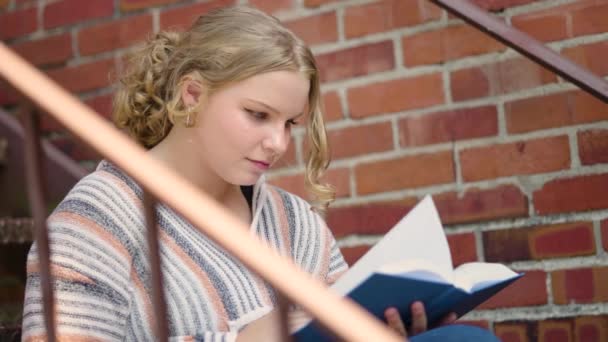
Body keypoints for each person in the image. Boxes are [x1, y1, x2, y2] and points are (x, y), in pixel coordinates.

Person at [21, 5, 461, 341]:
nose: (279, 143)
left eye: (289, 123)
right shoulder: (97, 219)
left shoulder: (296, 224)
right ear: (192, 93)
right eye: (258, 114)